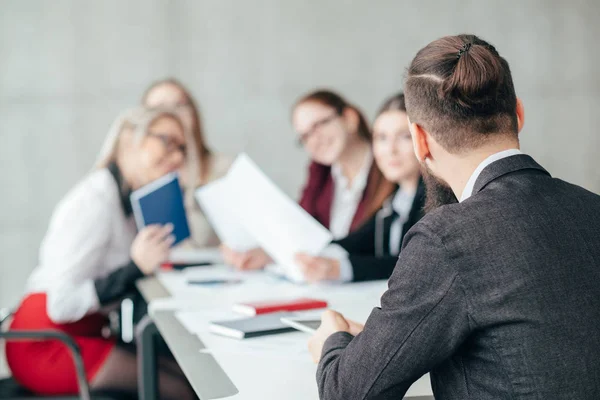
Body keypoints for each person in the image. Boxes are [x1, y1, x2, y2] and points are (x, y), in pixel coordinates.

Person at [308, 34, 600, 399]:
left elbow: (347, 392)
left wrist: (331, 342)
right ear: (519, 115)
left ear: (420, 141)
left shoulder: (446, 238)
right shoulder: (593, 206)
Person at [6, 107, 196, 399]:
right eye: (167, 142)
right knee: (181, 390)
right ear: (129, 139)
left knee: (193, 374)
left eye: (182, 147)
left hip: (87, 332)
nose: (179, 156)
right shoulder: (94, 202)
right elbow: (62, 303)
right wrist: (135, 266)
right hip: (47, 340)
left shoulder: (130, 202)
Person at [221, 90, 395, 270]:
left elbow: (369, 245)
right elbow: (300, 231)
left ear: (350, 118)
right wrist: (267, 253)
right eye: (305, 136)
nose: (313, 141)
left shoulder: (393, 166)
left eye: (318, 125)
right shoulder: (320, 173)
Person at [295, 93, 425, 283]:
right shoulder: (396, 198)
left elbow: (416, 264)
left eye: (404, 137)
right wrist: (314, 256)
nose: (390, 150)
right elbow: (360, 240)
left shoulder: (438, 201)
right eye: (381, 138)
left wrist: (341, 269)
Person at [142, 78, 233, 247]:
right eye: (158, 109)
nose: (171, 114)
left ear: (193, 113)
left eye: (179, 105)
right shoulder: (139, 178)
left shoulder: (225, 170)